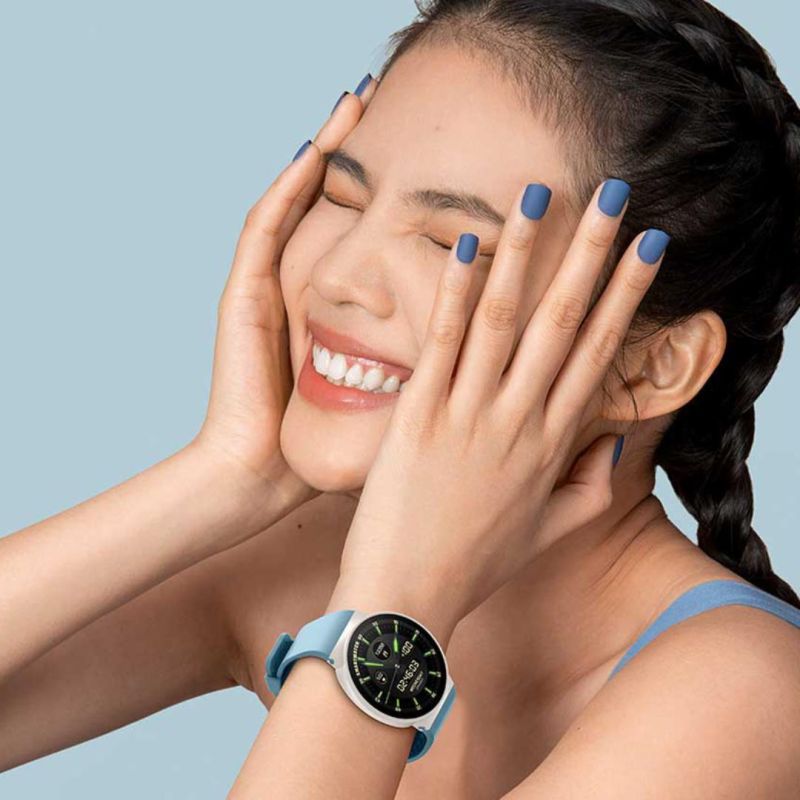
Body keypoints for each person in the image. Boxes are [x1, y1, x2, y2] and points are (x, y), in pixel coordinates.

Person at [3, 1, 800, 797]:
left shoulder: (745, 692)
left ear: (654, 367)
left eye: (453, 243)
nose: (337, 275)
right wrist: (224, 476)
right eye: (342, 198)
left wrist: (394, 611)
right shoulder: (299, 560)